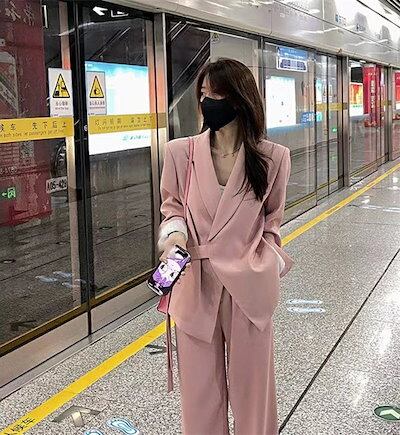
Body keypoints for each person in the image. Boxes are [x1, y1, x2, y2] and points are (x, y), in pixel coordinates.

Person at [158, 58, 293, 435]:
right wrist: (174, 238)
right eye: (203, 94)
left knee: (254, 392)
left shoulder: (273, 158)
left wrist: (267, 263)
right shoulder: (180, 153)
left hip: (248, 285)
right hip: (194, 283)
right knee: (200, 394)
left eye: (216, 95)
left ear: (240, 99)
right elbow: (171, 208)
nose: (207, 102)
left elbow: (272, 223)